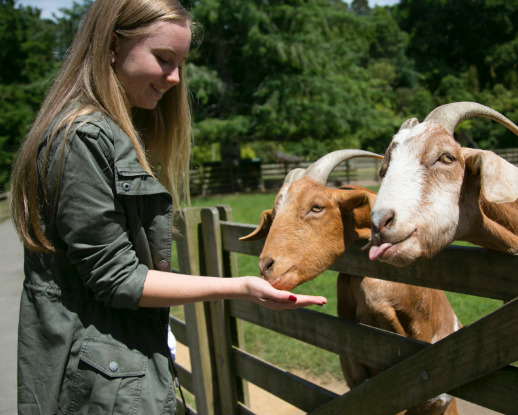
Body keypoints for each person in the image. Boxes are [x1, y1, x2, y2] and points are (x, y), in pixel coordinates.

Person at [9, 0, 327, 414]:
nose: (175, 78)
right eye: (162, 59)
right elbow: (118, 278)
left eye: (180, 63)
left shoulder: (110, 134)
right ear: (111, 47)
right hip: (98, 385)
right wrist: (240, 288)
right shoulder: (82, 140)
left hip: (114, 369)